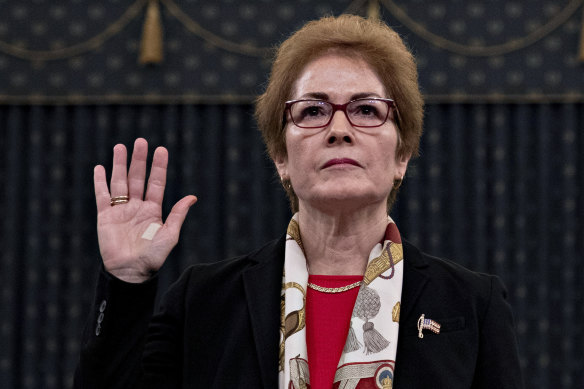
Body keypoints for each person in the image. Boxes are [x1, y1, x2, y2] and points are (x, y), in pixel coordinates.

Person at [75, 14, 523, 389]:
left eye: (367, 110)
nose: (339, 129)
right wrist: (127, 281)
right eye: (313, 110)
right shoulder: (205, 301)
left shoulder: (471, 303)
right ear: (281, 157)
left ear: (402, 155)